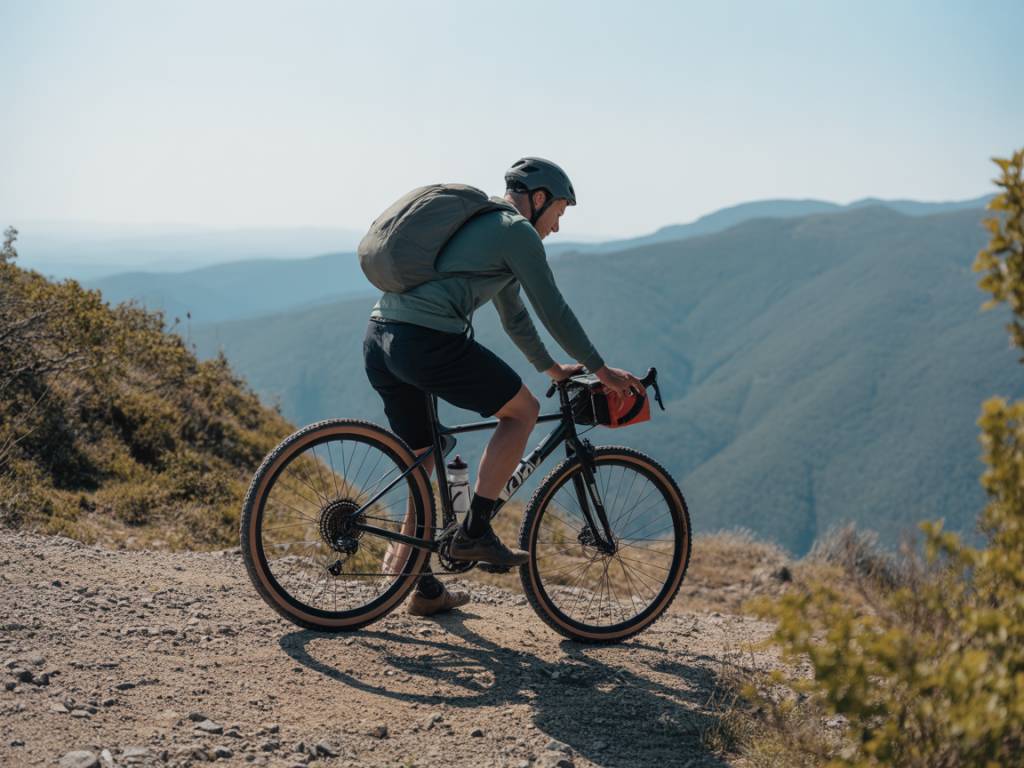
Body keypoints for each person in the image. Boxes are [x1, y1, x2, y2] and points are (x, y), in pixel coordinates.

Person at [363, 157, 642, 616]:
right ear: (538, 200)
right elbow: (553, 309)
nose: (556, 227)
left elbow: (514, 315)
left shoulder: (486, 226)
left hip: (380, 337)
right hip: (426, 341)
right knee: (522, 412)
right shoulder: (517, 233)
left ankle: (418, 585)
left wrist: (552, 368)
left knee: (423, 454)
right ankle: (474, 531)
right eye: (559, 213)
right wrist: (602, 368)